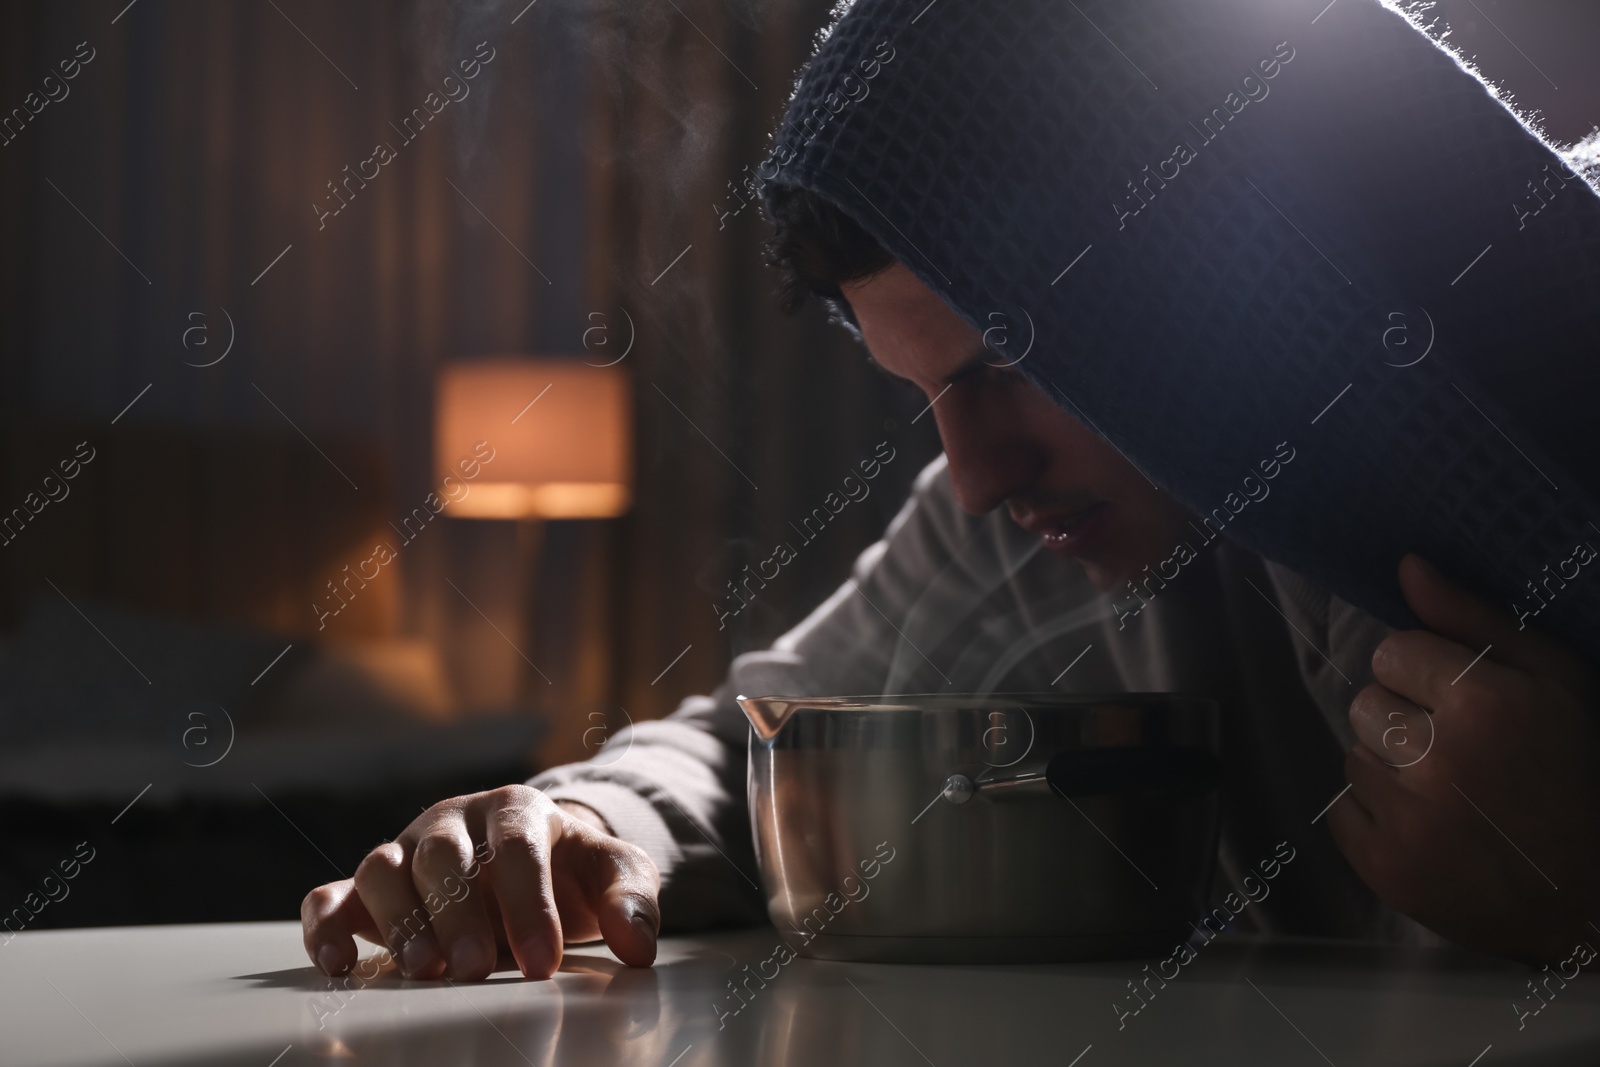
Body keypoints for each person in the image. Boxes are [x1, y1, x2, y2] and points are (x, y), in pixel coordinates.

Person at [302, 0, 1600, 981]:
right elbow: (755, 744)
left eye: (1020, 364)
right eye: (925, 394)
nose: (976, 477)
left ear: (1219, 286)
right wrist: (577, 816)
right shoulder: (1043, 518)